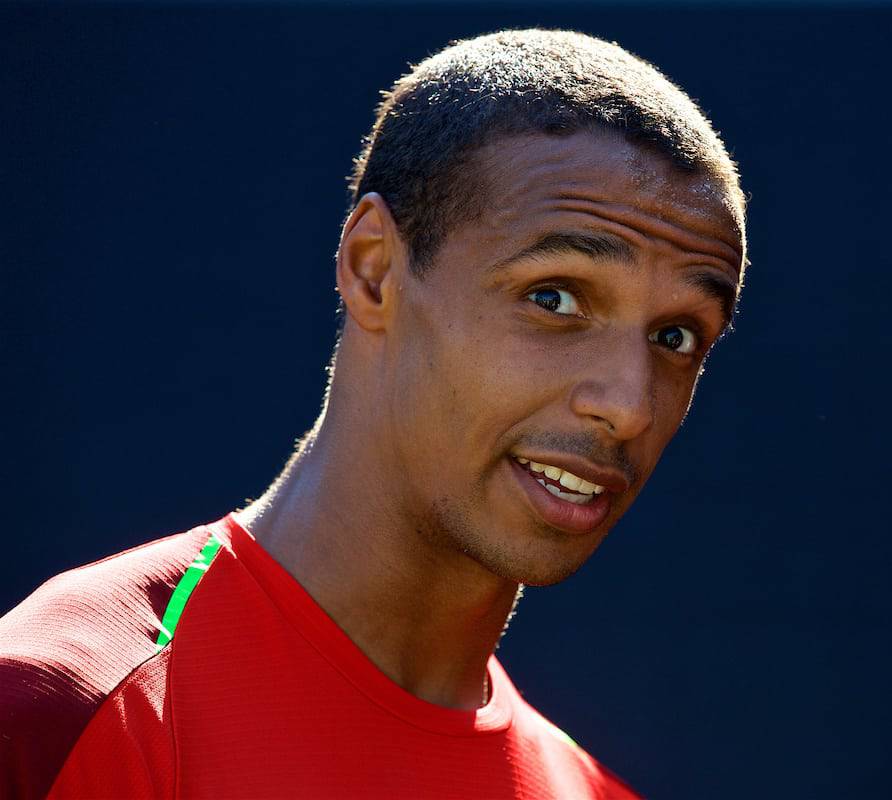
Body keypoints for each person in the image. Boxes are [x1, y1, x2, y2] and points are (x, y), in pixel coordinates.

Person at [0, 28, 747, 799]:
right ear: (375, 270)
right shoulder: (62, 716)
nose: (627, 404)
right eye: (553, 298)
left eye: (675, 336)